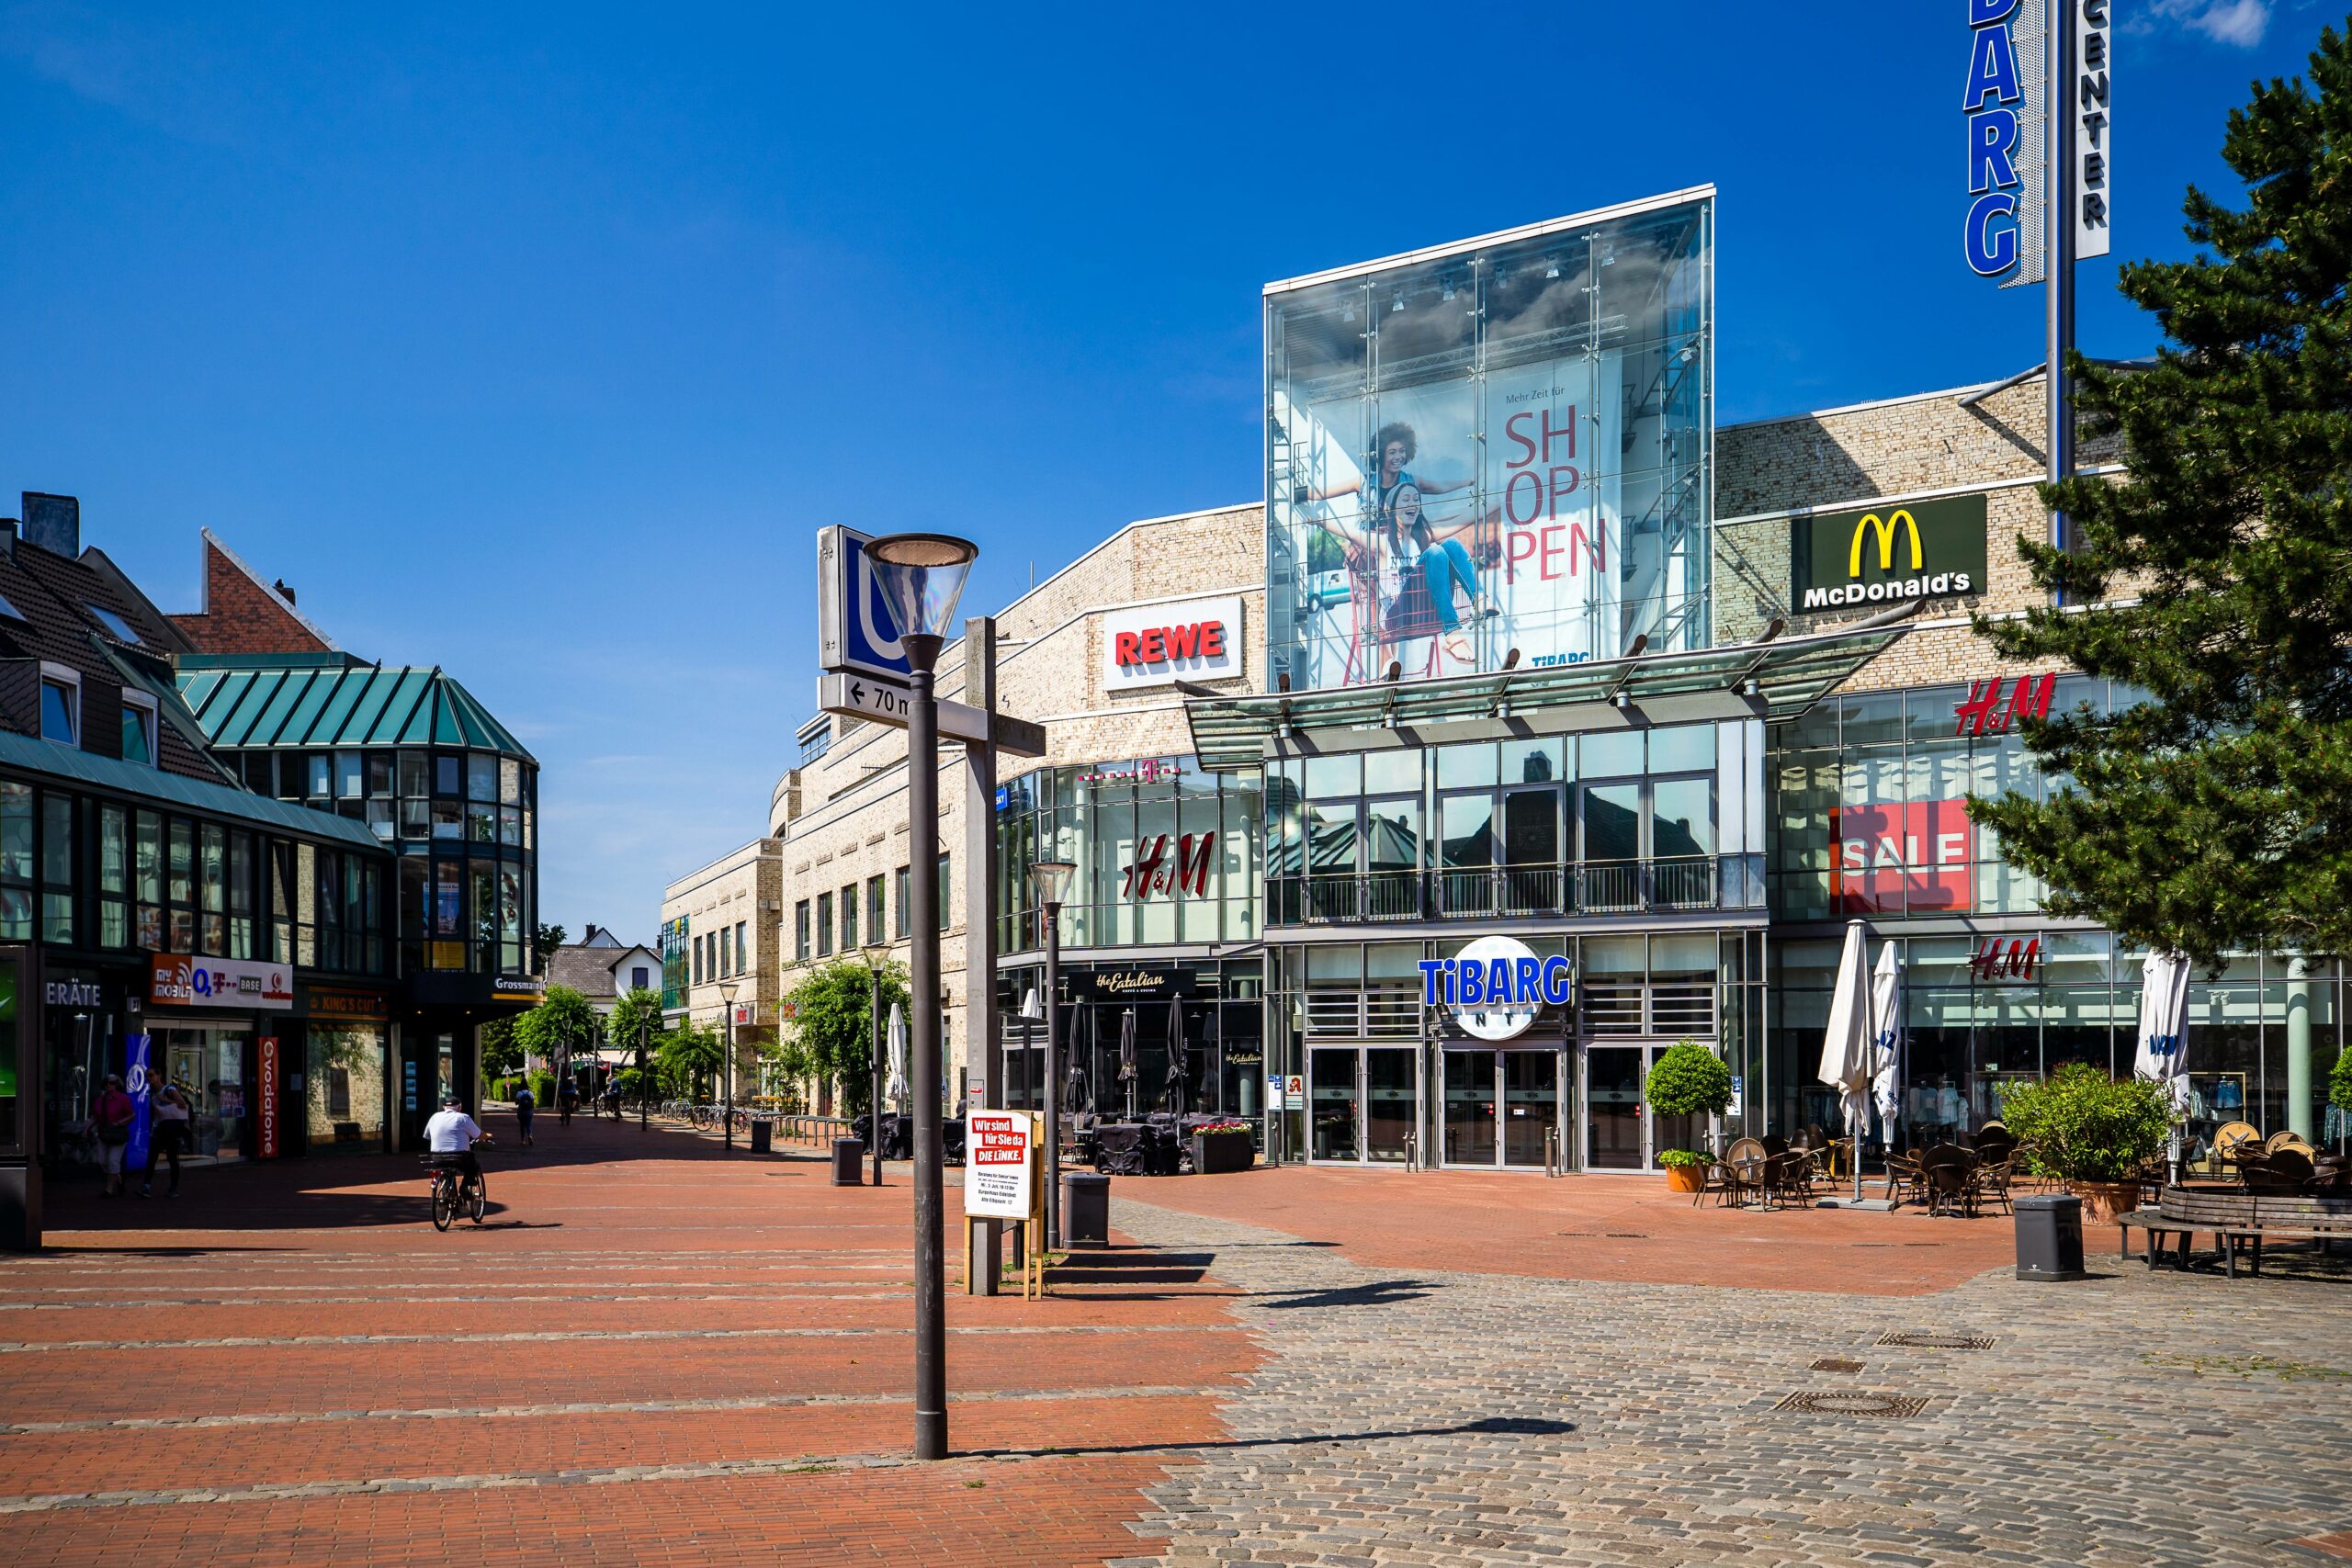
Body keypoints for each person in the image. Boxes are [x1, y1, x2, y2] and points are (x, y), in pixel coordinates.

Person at [423, 1094, 492, 1205]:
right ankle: (464, 1188)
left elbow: (427, 1136)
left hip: (436, 1156)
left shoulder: (434, 1117)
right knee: (473, 1167)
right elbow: (478, 1135)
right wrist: (487, 1136)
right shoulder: (463, 1118)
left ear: (444, 1107)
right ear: (459, 1107)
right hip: (459, 1156)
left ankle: (446, 1198)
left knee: (444, 1170)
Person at [141, 1082, 192, 1199]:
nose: (149, 1078)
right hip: (158, 1128)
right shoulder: (151, 1093)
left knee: (172, 1158)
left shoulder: (169, 1089)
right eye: (148, 1076)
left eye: (152, 1075)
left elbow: (182, 1103)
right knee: (152, 1158)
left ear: (158, 1076)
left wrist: (165, 1100)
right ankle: (146, 1186)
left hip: (170, 1129)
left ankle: (173, 1188)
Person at [91, 1073, 135, 1198]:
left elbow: (132, 1115)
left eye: (112, 1083)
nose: (109, 1085)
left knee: (113, 1161)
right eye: (107, 1083)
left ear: (117, 1084)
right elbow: (95, 1117)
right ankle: (118, 1178)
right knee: (102, 1161)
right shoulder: (100, 1100)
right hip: (104, 1134)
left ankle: (109, 1189)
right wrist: (87, 1128)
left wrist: (120, 1123)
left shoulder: (123, 1099)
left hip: (118, 1134)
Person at [513, 1081, 535, 1147]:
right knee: (529, 1124)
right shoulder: (530, 1093)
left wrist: (520, 1101)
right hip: (529, 1111)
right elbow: (533, 1104)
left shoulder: (519, 1093)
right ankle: (530, 1136)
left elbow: (516, 1103)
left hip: (521, 1111)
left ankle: (522, 1141)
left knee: (522, 1126)